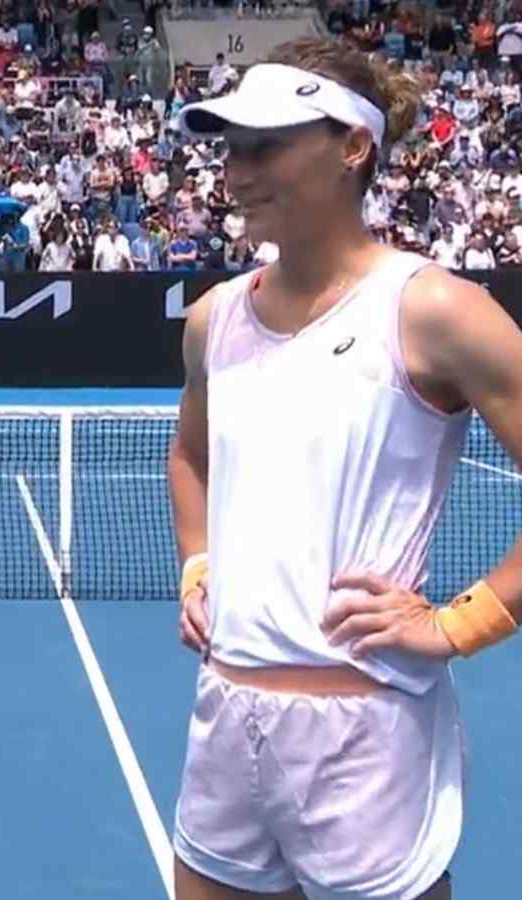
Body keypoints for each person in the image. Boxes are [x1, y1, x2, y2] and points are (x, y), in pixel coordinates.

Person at [168, 36, 522, 900]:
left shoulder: (435, 309)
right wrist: (199, 565)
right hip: (227, 715)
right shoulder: (215, 319)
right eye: (230, 148)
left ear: (353, 147)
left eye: (267, 145)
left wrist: (461, 623)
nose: (237, 170)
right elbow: (189, 454)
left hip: (368, 733)